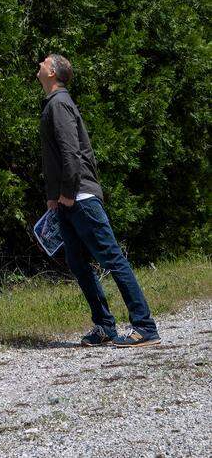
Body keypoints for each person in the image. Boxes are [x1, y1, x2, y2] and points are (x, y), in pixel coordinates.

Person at [37, 53, 160, 347]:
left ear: (53, 72)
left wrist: (66, 193)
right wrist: (55, 197)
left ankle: (144, 326)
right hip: (68, 200)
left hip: (80, 198)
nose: (39, 64)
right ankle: (104, 325)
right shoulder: (55, 104)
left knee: (112, 259)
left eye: (44, 62)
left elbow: (71, 153)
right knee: (78, 263)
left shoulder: (60, 104)